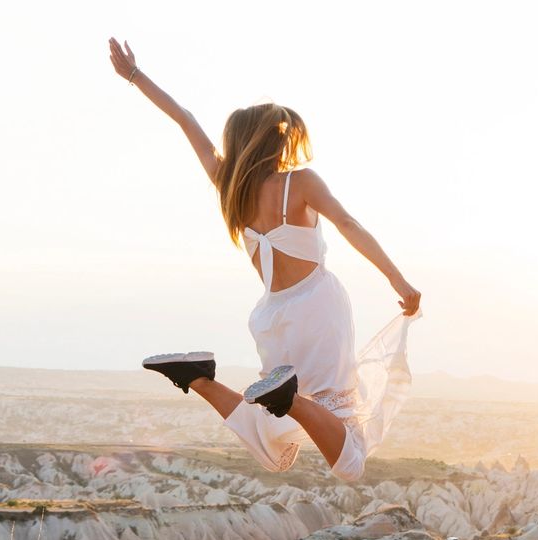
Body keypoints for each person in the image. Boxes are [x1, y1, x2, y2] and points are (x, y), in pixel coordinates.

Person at [108, 38, 421, 482]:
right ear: (280, 140)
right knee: (351, 462)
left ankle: (198, 378)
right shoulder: (302, 183)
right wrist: (397, 280)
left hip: (270, 317)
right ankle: (288, 398)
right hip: (318, 308)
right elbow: (349, 225)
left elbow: (186, 120)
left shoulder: (229, 187)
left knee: (274, 451)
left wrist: (136, 77)